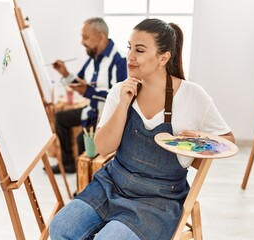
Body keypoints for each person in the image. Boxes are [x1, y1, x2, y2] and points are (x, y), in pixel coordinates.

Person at [49, 18, 235, 239]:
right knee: (60, 227)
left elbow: (228, 139)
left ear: (163, 58)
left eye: (139, 50)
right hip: (112, 185)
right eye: (129, 48)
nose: (130, 56)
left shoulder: (192, 95)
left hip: (158, 199)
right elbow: (103, 147)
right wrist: (123, 104)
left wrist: (197, 139)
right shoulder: (119, 91)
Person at [50, 17, 127, 174]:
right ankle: (69, 164)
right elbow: (79, 82)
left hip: (107, 116)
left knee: (82, 140)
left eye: (85, 37)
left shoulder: (120, 59)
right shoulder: (93, 57)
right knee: (61, 118)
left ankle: (85, 181)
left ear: (101, 37)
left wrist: (88, 91)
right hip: (91, 110)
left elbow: (120, 96)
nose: (81, 42)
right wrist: (64, 73)